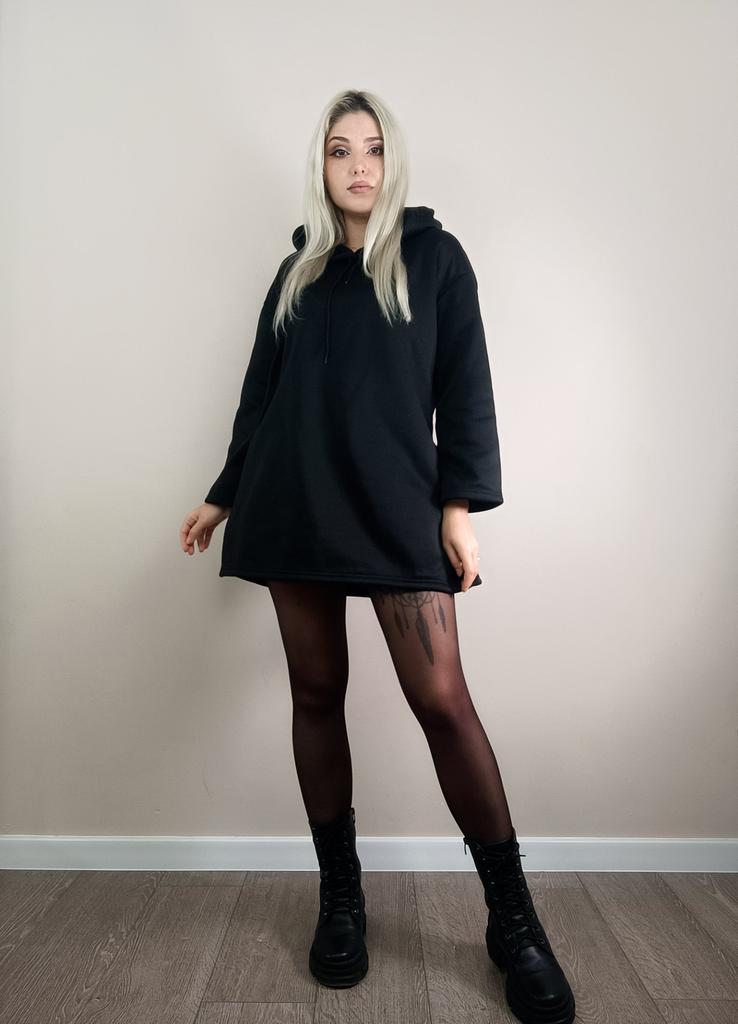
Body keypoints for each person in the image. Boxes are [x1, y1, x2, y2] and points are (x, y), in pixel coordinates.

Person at [179, 90, 575, 1023]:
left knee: (443, 702)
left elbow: (466, 390)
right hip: (293, 502)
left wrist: (459, 509)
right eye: (339, 150)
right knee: (316, 693)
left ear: (393, 161)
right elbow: (259, 396)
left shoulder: (435, 258)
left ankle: (513, 921)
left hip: (397, 510)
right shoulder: (297, 273)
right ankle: (341, 898)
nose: (358, 165)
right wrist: (223, 494)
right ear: (320, 167)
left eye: (373, 148)